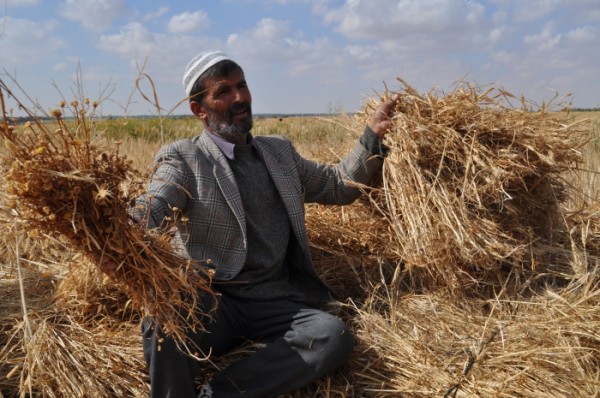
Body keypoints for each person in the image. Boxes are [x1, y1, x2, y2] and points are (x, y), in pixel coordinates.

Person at [121, 50, 399, 398]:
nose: (239, 98)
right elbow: (155, 205)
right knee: (163, 320)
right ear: (199, 109)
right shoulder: (183, 158)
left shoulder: (279, 152)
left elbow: (337, 185)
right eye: (223, 92)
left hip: (277, 301)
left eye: (242, 86)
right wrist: (118, 226)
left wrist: (371, 136)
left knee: (332, 336)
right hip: (214, 303)